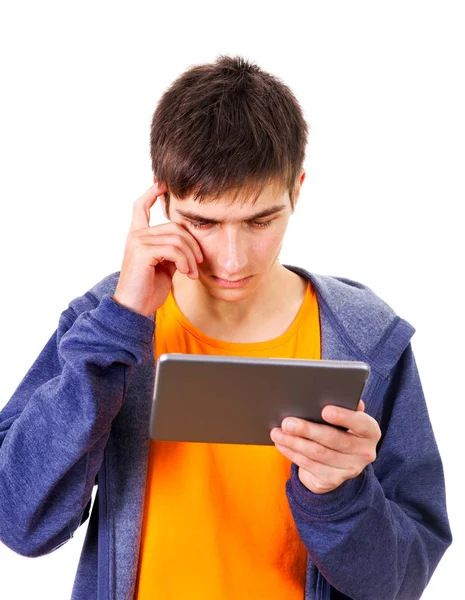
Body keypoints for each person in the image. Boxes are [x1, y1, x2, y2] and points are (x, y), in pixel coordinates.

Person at [0, 55, 452, 600]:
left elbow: (401, 584)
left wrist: (339, 494)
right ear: (160, 198)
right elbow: (19, 522)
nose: (233, 260)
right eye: (203, 222)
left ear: (297, 191)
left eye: (261, 221)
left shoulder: (368, 338)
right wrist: (118, 326)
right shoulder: (106, 319)